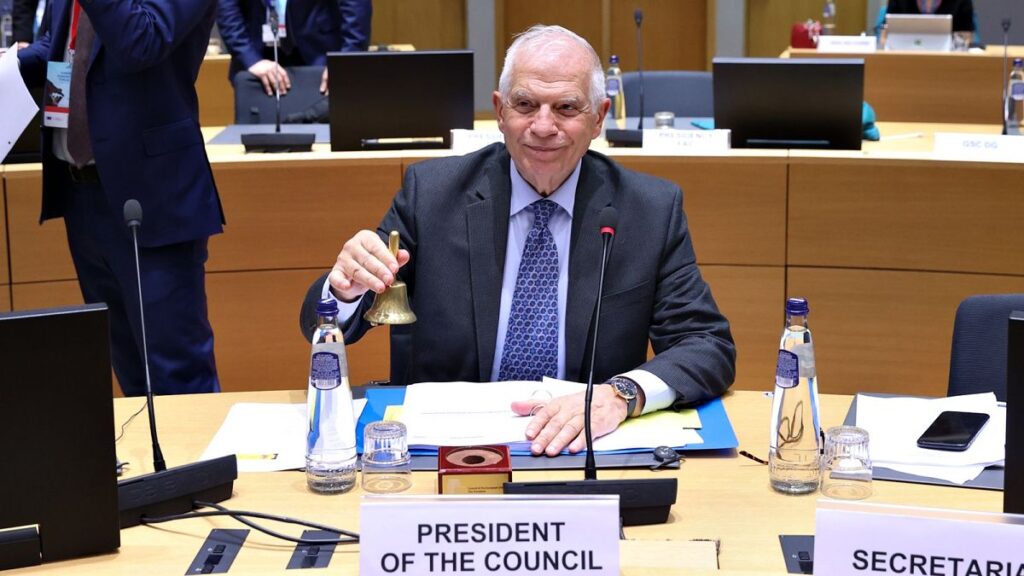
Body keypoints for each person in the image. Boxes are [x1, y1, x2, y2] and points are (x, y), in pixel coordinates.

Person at [299, 25, 736, 456]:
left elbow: (706, 344)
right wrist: (345, 289)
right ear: (500, 111)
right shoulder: (431, 195)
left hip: (585, 448)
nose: (543, 126)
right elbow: (323, 324)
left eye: (566, 107)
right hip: (449, 450)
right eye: (525, 104)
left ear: (599, 118)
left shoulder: (648, 210)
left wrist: (621, 394)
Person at [17, 0, 225, 396]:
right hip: (81, 193)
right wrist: (11, 65)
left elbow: (140, 41)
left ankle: (191, 443)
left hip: (152, 197)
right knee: (127, 367)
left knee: (177, 375)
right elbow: (57, 47)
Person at [216, 0, 371, 96]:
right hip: (260, 58)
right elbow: (226, 6)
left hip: (323, 57)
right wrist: (250, 58)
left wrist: (344, 61)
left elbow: (356, 9)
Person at [885, 0, 976, 33]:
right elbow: (885, 35)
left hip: (949, 60)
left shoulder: (961, 1)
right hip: (904, 57)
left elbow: (965, 36)